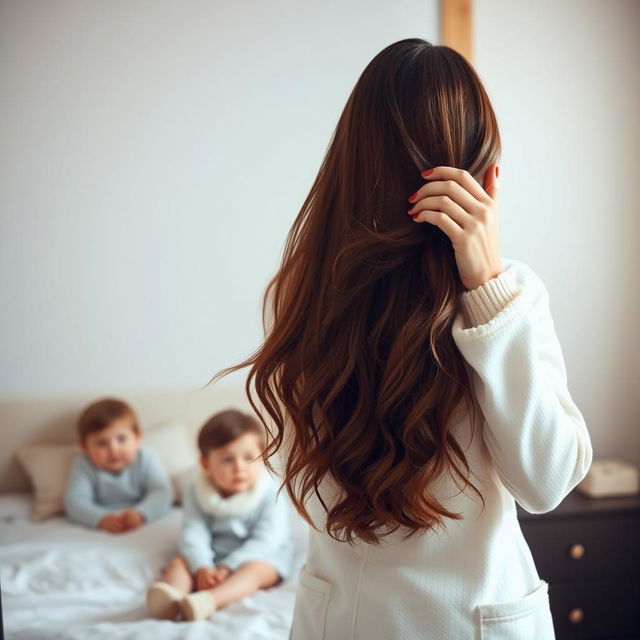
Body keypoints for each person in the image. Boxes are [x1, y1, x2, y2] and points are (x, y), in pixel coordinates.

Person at [205, 38, 593, 639]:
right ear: (489, 177)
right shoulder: (313, 296)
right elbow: (545, 483)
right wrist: (487, 288)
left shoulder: (503, 298)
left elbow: (546, 482)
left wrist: (487, 293)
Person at [146, 409, 295, 622]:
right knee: (179, 562)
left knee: (255, 571)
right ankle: (171, 598)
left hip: (259, 555)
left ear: (262, 457)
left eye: (248, 457)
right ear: (206, 465)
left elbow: (268, 539)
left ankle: (208, 600)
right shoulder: (196, 491)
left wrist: (229, 566)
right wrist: (202, 566)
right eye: (227, 460)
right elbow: (193, 532)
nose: (239, 468)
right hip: (213, 555)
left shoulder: (271, 492)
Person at [63, 397, 173, 532]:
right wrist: (101, 518)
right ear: (85, 447)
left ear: (137, 438)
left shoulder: (146, 457)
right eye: (102, 443)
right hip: (102, 522)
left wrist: (141, 513)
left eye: (121, 439)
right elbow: (75, 502)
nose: (113, 450)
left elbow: (162, 492)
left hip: (140, 518)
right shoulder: (83, 464)